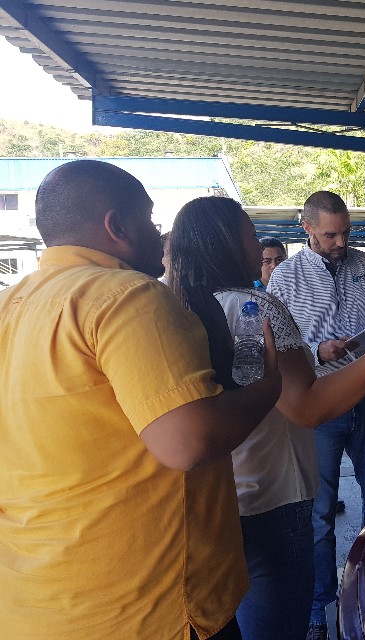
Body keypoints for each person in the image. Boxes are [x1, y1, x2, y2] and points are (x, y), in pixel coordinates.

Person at [0, 160, 283, 640]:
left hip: (34, 601)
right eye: (151, 220)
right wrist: (267, 387)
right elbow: (187, 442)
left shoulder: (10, 306)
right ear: (117, 226)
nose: (160, 235)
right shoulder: (127, 296)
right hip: (148, 606)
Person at [168, 196, 365, 640]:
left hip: (218, 496)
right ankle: (322, 613)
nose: (261, 247)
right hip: (273, 493)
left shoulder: (174, 306)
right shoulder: (257, 306)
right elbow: (305, 406)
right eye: (251, 236)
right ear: (227, 244)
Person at [266, 191, 365, 640]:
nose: (340, 241)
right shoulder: (285, 278)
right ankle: (319, 608)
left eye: (345, 232)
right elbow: (276, 345)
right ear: (307, 228)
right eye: (329, 234)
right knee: (319, 515)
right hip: (318, 405)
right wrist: (317, 349)